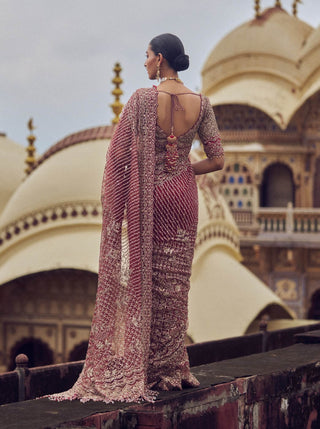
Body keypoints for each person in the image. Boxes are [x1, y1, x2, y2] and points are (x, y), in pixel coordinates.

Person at [48, 33, 224, 404]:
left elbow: (117, 158)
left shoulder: (143, 100)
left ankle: (142, 365)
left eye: (146, 56)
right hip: (184, 197)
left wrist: (144, 174)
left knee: (147, 276)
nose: (143, 62)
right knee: (177, 282)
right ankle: (172, 367)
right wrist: (186, 169)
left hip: (153, 197)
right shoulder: (201, 103)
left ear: (159, 59)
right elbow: (218, 159)